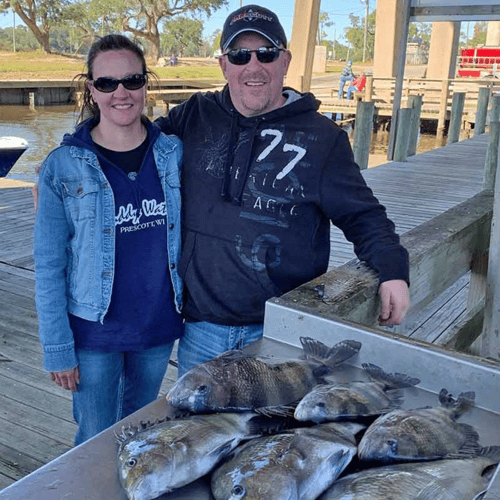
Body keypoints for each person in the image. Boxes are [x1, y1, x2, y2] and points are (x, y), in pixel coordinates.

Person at [155, 4, 411, 377]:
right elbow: (129, 145)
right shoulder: (193, 115)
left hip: (283, 333)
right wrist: (68, 166)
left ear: (285, 61)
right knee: (199, 430)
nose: (253, 66)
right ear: (224, 64)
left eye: (267, 53)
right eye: (240, 55)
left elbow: (362, 215)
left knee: (278, 431)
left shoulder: (324, 138)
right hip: (200, 330)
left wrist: (393, 271)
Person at [33, 34, 184, 445]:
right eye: (107, 83)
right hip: (93, 333)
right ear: (91, 89)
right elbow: (49, 264)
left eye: (132, 81)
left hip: (157, 328)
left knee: (140, 433)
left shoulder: (172, 153)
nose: (121, 93)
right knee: (95, 438)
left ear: (145, 85)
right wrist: (57, 346)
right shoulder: (62, 166)